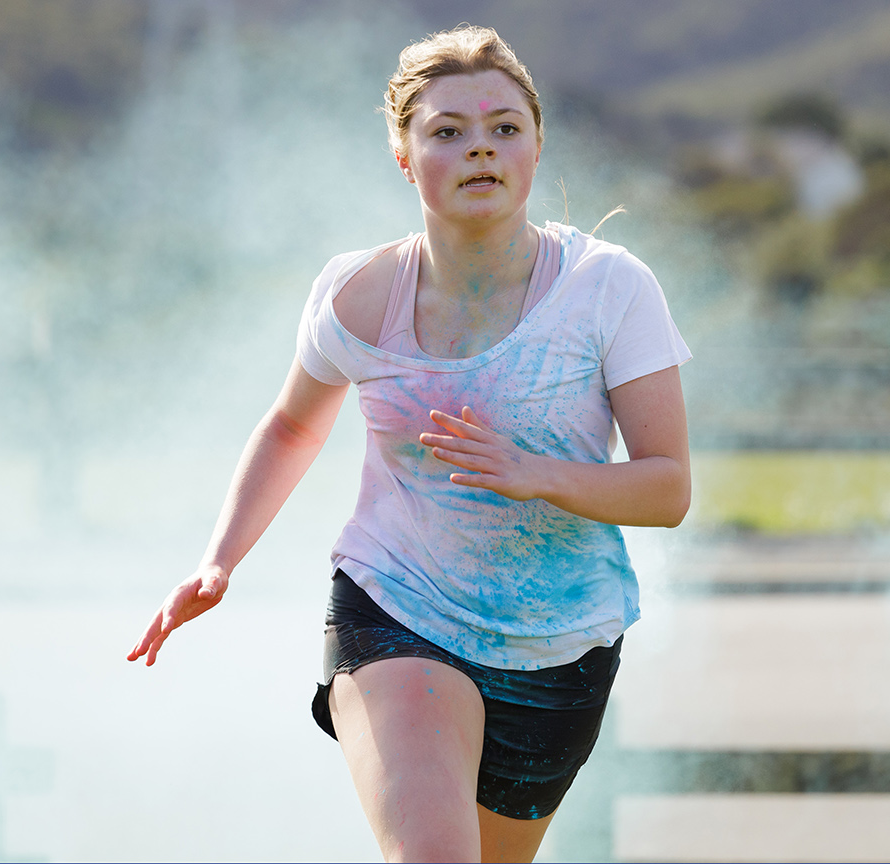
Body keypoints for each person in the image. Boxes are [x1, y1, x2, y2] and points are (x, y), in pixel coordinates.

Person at [128, 25, 691, 863]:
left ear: (537, 147)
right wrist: (220, 559)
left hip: (560, 645)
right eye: (448, 132)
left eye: (505, 128)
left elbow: (667, 488)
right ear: (404, 157)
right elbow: (291, 425)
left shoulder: (609, 289)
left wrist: (534, 475)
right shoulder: (358, 296)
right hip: (397, 608)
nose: (481, 150)